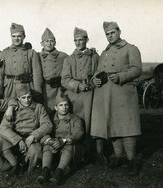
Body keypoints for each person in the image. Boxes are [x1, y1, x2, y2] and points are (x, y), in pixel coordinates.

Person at [91, 21, 142, 176]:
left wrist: (121, 76)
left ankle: (131, 161)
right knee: (113, 124)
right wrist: (94, 79)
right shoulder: (104, 52)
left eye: (112, 32)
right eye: (107, 34)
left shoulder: (131, 49)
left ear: (119, 31)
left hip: (124, 94)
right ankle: (119, 157)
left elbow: (137, 69)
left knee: (127, 127)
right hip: (106, 95)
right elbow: (98, 71)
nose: (110, 36)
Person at [0, 84, 52, 175]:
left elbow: (47, 124)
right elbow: (3, 127)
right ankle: (14, 164)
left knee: (35, 150)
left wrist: (34, 136)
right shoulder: (13, 108)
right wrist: (18, 140)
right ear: (18, 98)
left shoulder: (39, 107)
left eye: (29, 97)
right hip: (16, 138)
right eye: (23, 98)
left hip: (32, 139)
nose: (27, 100)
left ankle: (27, 165)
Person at [61, 27, 99, 160]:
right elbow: (64, 80)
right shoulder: (69, 59)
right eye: (75, 40)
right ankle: (75, 151)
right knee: (76, 123)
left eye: (81, 40)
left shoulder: (94, 57)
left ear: (86, 40)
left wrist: (94, 81)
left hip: (91, 94)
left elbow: (99, 73)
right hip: (74, 96)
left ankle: (91, 151)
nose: (78, 43)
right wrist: (77, 85)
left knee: (91, 122)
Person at [37, 92, 84, 185]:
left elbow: (78, 132)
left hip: (69, 146)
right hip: (54, 145)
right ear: (55, 108)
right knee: (47, 145)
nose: (64, 107)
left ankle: (59, 172)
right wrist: (49, 140)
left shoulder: (75, 118)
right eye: (61, 105)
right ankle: (45, 170)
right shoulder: (50, 118)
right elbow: (43, 131)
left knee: (69, 145)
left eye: (66, 105)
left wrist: (63, 140)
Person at [0, 23, 43, 101]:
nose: (16, 39)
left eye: (19, 36)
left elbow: (37, 75)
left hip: (27, 86)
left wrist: (38, 92)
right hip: (10, 87)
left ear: (24, 36)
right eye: (13, 36)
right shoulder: (4, 52)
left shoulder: (31, 52)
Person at [39, 28, 68, 114]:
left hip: (59, 89)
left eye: (51, 41)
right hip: (46, 89)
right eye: (46, 41)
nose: (49, 43)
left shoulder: (63, 56)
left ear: (55, 42)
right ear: (42, 43)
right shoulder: (37, 56)